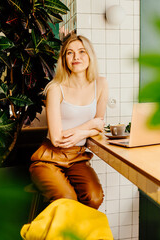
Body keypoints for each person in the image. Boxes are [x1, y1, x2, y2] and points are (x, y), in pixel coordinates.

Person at [29, 33, 108, 209]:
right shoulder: (55, 88)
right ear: (64, 59)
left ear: (90, 56)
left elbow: (100, 124)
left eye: (81, 51)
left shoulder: (101, 84)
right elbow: (58, 139)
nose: (76, 57)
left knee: (94, 198)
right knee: (67, 199)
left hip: (78, 157)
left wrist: (83, 132)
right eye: (69, 53)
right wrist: (89, 125)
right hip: (49, 158)